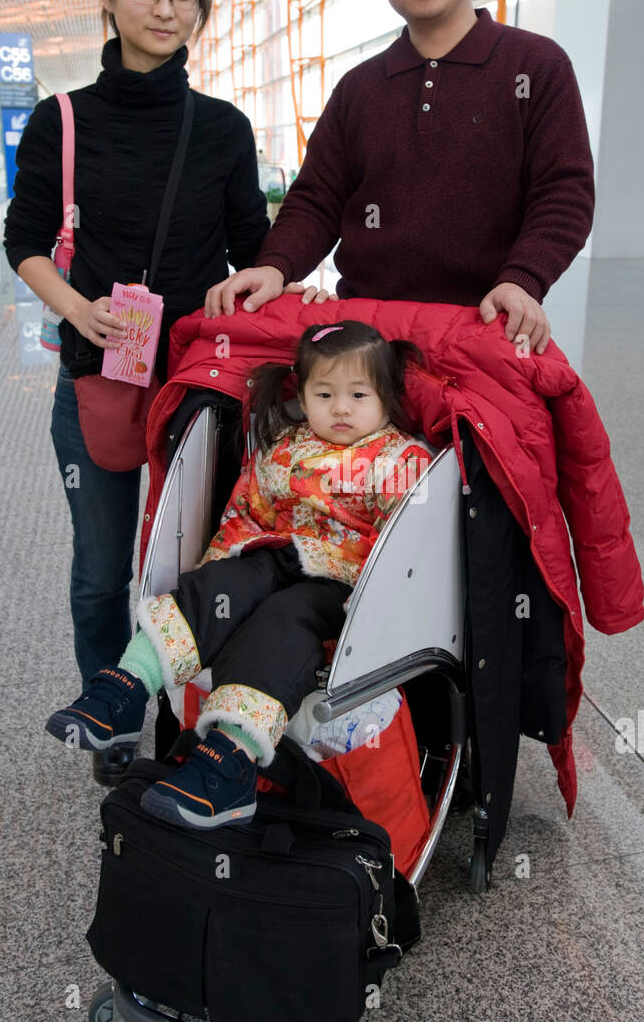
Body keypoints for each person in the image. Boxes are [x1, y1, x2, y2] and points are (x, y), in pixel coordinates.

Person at [4, 0, 274, 780]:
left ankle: (204, 724)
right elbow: (25, 238)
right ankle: (111, 719)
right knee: (99, 568)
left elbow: (253, 251)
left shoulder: (225, 129)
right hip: (98, 380)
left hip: (198, 386)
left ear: (201, 9)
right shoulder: (63, 120)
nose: (165, 8)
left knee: (198, 567)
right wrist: (78, 311)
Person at [44, 321, 433, 827]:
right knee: (219, 587)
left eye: (358, 394)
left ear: (385, 397)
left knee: (280, 621)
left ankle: (229, 760)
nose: (341, 408)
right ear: (303, 395)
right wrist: (226, 566)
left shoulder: (400, 458)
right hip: (269, 555)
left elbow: (404, 548)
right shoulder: (283, 447)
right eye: (325, 393)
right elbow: (244, 515)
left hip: (339, 585)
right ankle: (125, 686)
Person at [203, 0, 595, 353]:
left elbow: (564, 193)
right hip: (364, 341)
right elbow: (317, 197)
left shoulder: (536, 65)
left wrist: (523, 279)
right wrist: (274, 266)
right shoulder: (360, 87)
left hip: (483, 330)